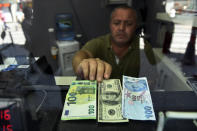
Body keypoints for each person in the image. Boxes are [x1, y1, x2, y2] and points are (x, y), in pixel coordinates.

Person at [72, 5, 156, 82]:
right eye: (116, 23)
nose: (121, 28)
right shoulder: (99, 43)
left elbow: (151, 80)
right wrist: (82, 64)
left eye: (129, 24)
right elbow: (81, 55)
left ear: (135, 26)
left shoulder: (144, 47)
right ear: (110, 25)